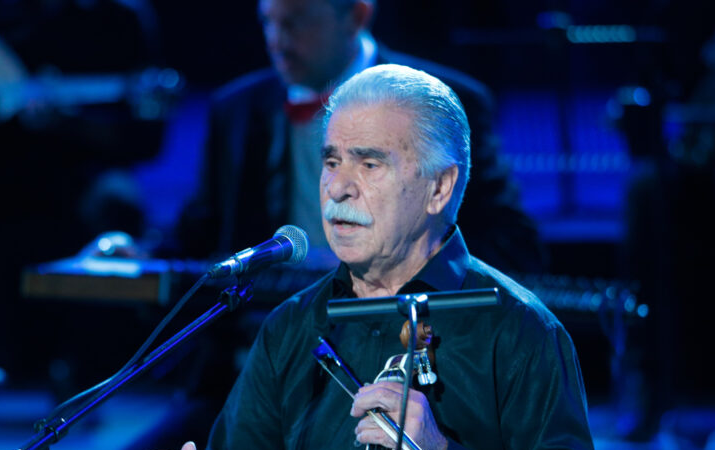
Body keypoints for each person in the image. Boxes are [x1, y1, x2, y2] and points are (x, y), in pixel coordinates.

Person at [134, 64, 597, 450]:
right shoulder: (291, 327)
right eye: (331, 161)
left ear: (439, 187)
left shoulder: (520, 329)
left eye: (370, 164)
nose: (337, 188)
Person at [176, 0, 545, 274]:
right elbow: (202, 233)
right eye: (268, 22)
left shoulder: (445, 101)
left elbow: (510, 243)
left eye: (296, 21)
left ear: (356, 16)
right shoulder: (236, 109)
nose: (277, 40)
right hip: (268, 328)